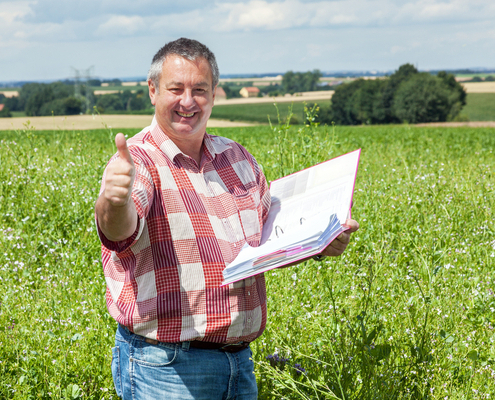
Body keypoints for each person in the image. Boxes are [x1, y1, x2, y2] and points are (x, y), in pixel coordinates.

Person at [95, 38, 359, 400]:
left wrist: (321, 241)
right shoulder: (137, 163)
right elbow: (119, 230)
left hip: (239, 363)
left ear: (214, 95)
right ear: (153, 91)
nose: (188, 102)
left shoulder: (236, 158)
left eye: (199, 89)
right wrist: (113, 199)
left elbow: (270, 238)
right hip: (168, 368)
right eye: (176, 89)